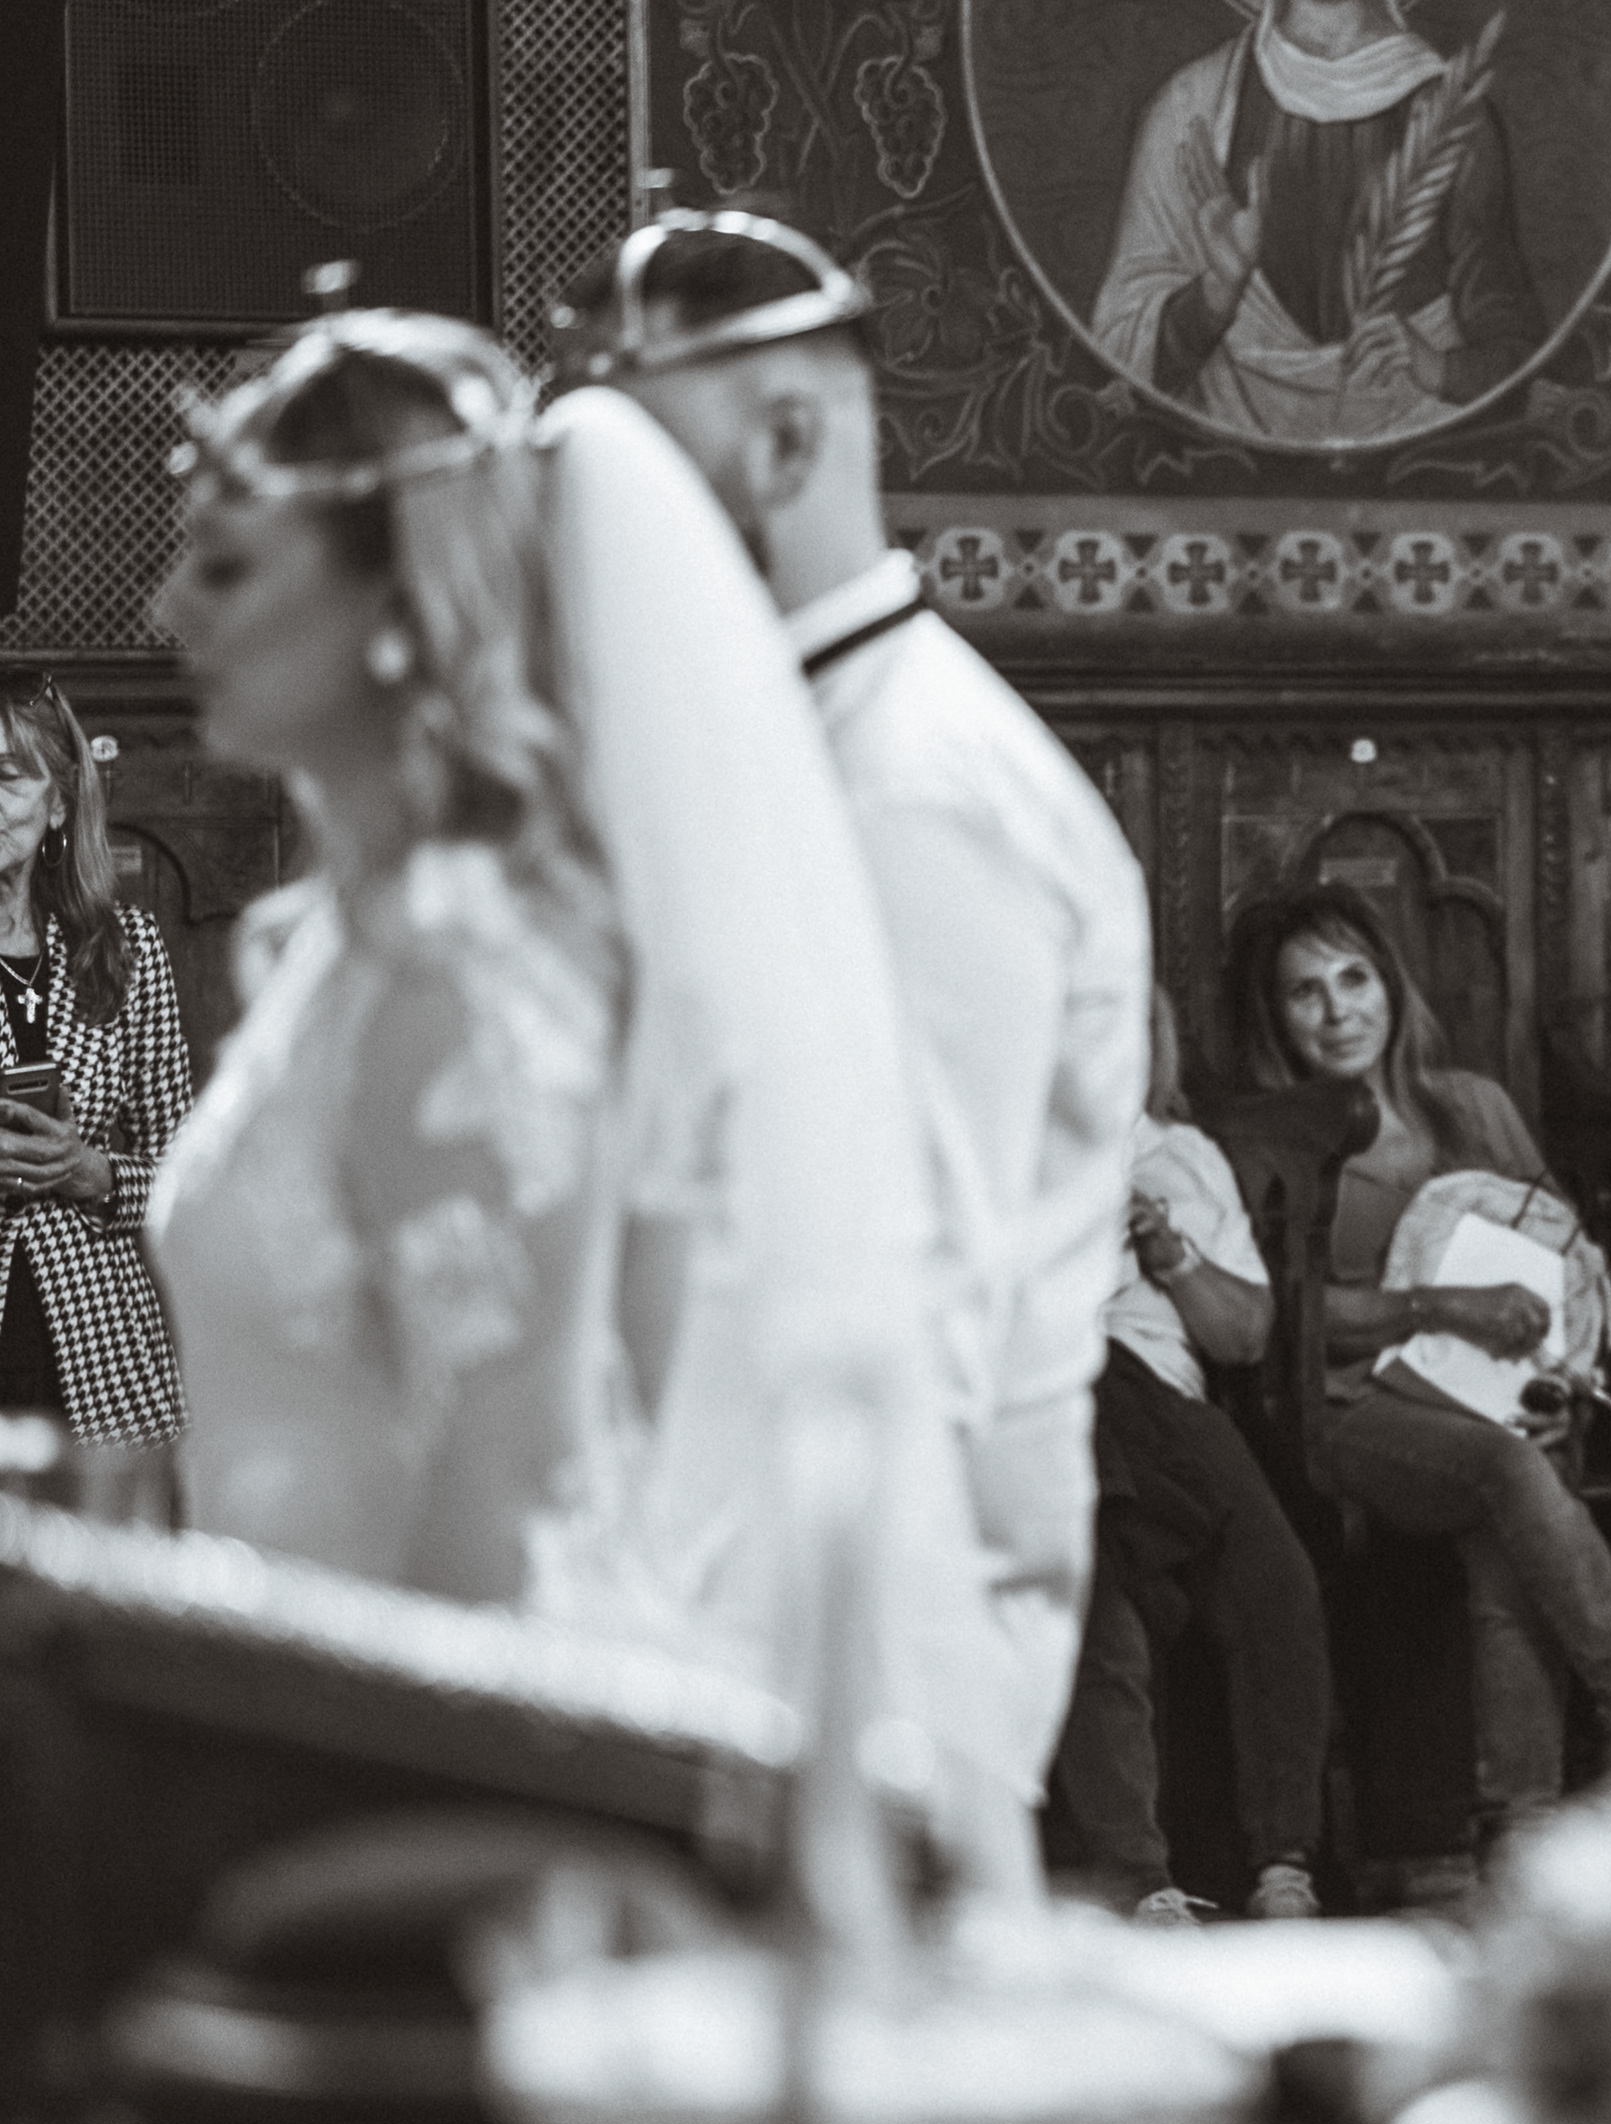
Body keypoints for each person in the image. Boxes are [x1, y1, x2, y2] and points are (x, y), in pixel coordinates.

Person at [147, 306, 1030, 1889]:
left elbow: (511, 1484)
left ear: (397, 600)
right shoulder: (341, 950)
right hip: (286, 1707)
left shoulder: (462, 979)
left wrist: (329, 1845)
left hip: (415, 1787)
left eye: (225, 568)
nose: (169, 612)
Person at [557, 210, 1154, 1819]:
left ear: (787, 441)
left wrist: (843, 1702)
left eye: (640, 465)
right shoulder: (784, 742)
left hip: (876, 1611)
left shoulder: (914, 785)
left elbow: (916, 1284)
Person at [1232, 880, 1611, 1850]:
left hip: (1498, 1400)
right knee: (1507, 1470)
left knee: (1508, 1513)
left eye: (1355, 978)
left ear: (1391, 985)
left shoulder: (1471, 1105)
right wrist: (1440, 1305)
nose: (1338, 1010)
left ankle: (1519, 1834)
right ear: (1276, 1015)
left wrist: (1557, 1381)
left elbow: (1566, 1256)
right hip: (1352, 1412)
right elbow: (1288, 1319)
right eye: (1306, 991)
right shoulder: (1276, 1138)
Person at [1046, 990, 1333, 1925]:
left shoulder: (1184, 1154)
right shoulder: (1006, 1140)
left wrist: (1169, 1253)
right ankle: (1143, 1883)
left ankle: (1280, 1866)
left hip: (1160, 1399)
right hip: (1057, 1381)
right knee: (1095, 1597)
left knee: (1275, 1579)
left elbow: (1244, 1334)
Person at [1090, 0, 1546, 444]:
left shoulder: (1458, 118)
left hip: (1416, 463)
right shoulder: (1190, 109)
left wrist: (1438, 369)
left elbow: (1524, 370)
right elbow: (1120, 373)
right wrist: (1215, 293)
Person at [0, 673, 190, 1450]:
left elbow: (184, 1173)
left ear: (58, 804)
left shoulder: (127, 949)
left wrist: (94, 1173)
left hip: (103, 1353)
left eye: (7, 779)